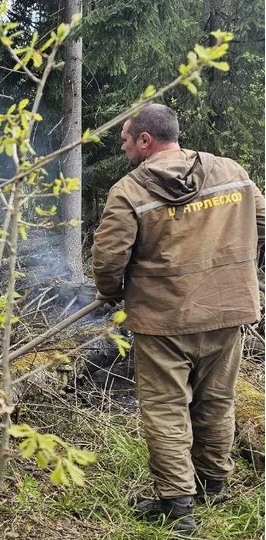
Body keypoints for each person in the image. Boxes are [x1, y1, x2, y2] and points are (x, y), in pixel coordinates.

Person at [92, 103, 266, 532]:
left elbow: (109, 260)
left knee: (167, 409)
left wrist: (113, 294)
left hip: (163, 321)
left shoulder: (129, 191)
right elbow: (262, 224)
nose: (124, 148)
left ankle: (176, 505)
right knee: (216, 402)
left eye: (126, 140)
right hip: (227, 312)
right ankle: (213, 484)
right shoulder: (231, 172)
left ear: (145, 140)